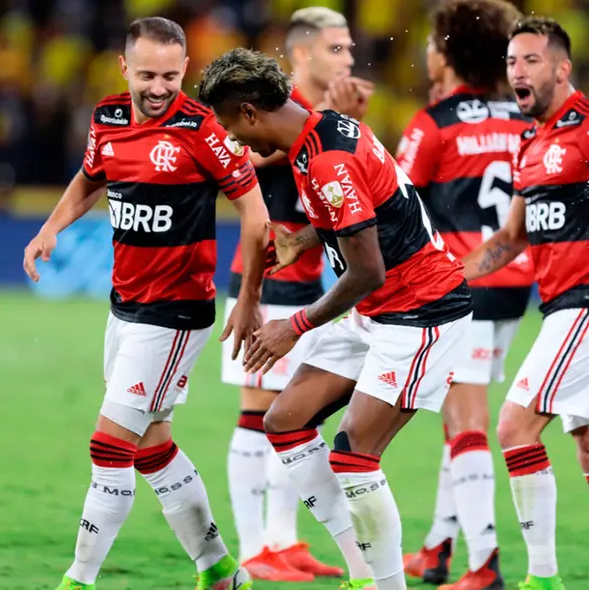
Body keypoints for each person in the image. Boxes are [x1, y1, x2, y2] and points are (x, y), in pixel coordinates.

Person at [198, 48, 474, 590]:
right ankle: (363, 571)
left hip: (421, 312)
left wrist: (293, 326)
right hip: (379, 311)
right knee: (284, 421)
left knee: (353, 455)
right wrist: (303, 239)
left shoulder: (325, 160)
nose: (235, 141)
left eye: (232, 126)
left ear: (251, 112)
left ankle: (384, 583)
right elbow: (368, 210)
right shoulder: (320, 131)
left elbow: (367, 268)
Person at [23, 17, 268, 590]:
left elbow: (256, 215)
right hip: (126, 307)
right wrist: (51, 227)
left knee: (109, 443)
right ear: (124, 68)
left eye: (169, 75)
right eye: (146, 75)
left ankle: (78, 579)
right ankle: (221, 570)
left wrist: (250, 295)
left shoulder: (202, 130)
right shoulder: (107, 117)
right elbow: (91, 177)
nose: (158, 88)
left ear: (185, 70)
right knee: (152, 447)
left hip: (177, 313)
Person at [461, 17, 589, 590]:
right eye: (511, 62)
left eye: (529, 60)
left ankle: (543, 576)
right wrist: (444, 275)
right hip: (564, 308)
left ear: (561, 67)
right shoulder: (530, 142)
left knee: (513, 425)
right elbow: (510, 241)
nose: (517, 72)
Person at [220, 6, 373, 581]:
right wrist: (249, 295)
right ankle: (255, 547)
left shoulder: (316, 117)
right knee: (255, 414)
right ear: (303, 54)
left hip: (306, 282)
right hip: (261, 281)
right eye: (337, 49)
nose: (349, 60)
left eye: (350, 49)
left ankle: (285, 541)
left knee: (293, 416)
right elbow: (251, 171)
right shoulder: (264, 114)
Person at [394, 1, 531, 588]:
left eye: (431, 41)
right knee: (461, 420)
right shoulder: (528, 117)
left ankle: (484, 563)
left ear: (447, 51)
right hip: (514, 283)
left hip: (461, 288)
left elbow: (391, 207)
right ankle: (437, 547)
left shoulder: (435, 123)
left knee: (465, 421)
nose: (427, 50)